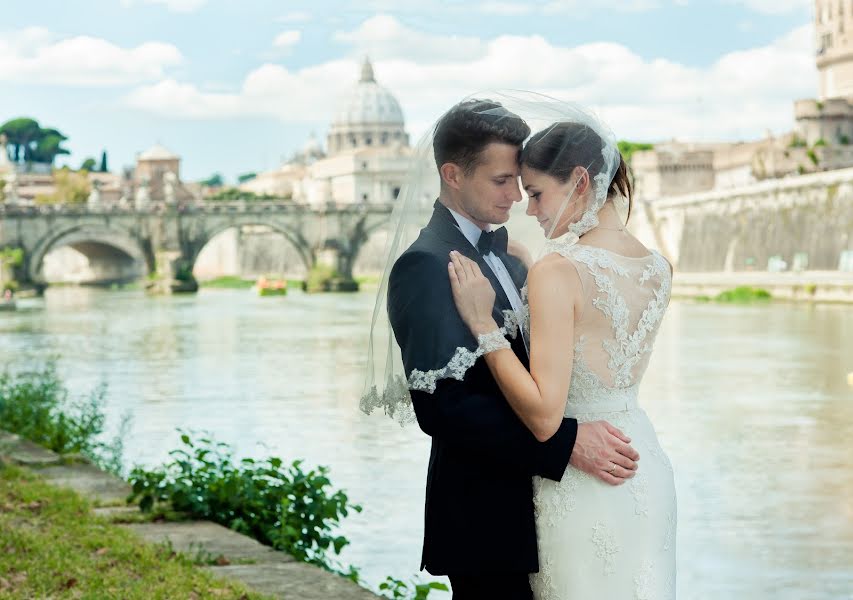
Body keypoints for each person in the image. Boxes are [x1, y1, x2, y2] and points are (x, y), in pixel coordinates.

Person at [366, 98, 641, 600]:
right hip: (486, 519)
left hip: (550, 510)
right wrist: (567, 443)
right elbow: (443, 408)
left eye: (520, 181)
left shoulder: (512, 258)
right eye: (500, 181)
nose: (516, 196)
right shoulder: (426, 265)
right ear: (452, 173)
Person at [448, 117, 677, 599]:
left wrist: (483, 324)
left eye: (536, 193)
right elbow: (596, 336)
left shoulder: (559, 271)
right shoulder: (658, 267)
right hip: (643, 462)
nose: (528, 210)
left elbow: (544, 413)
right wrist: (533, 272)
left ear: (578, 181)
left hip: (584, 478)